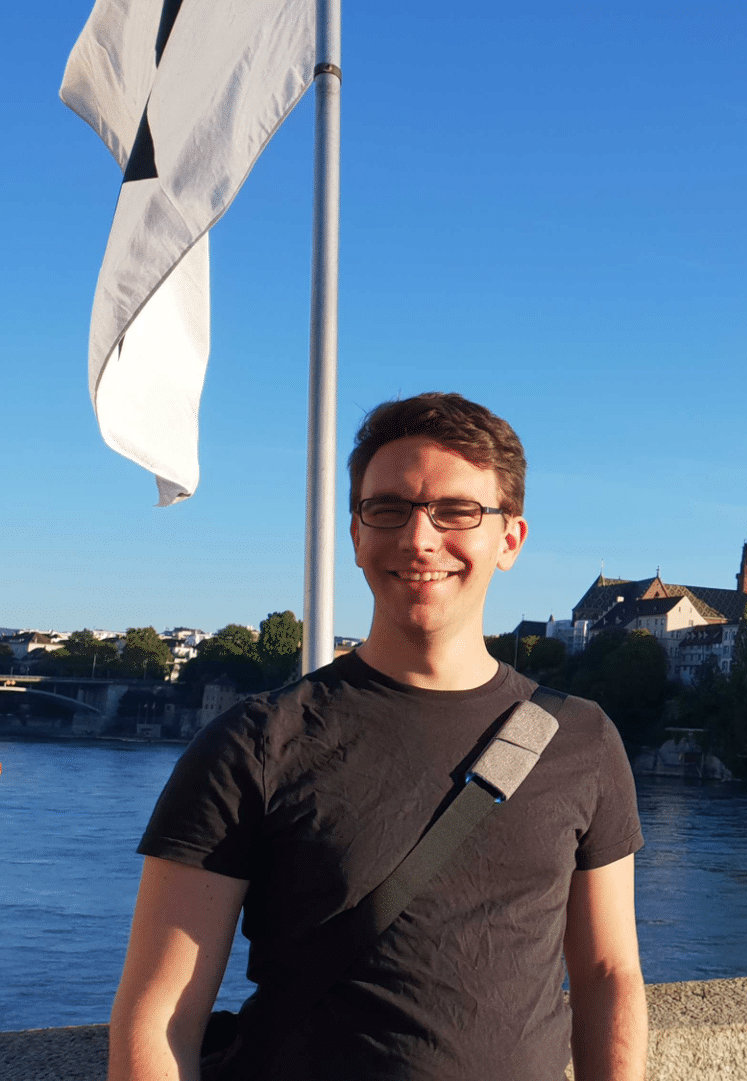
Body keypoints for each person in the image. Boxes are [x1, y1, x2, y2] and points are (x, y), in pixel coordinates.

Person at [107, 393, 647, 1081]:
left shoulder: (582, 740)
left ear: (509, 540)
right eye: (389, 508)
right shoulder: (253, 745)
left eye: (457, 511)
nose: (420, 539)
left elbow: (607, 973)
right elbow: (158, 1019)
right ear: (357, 534)